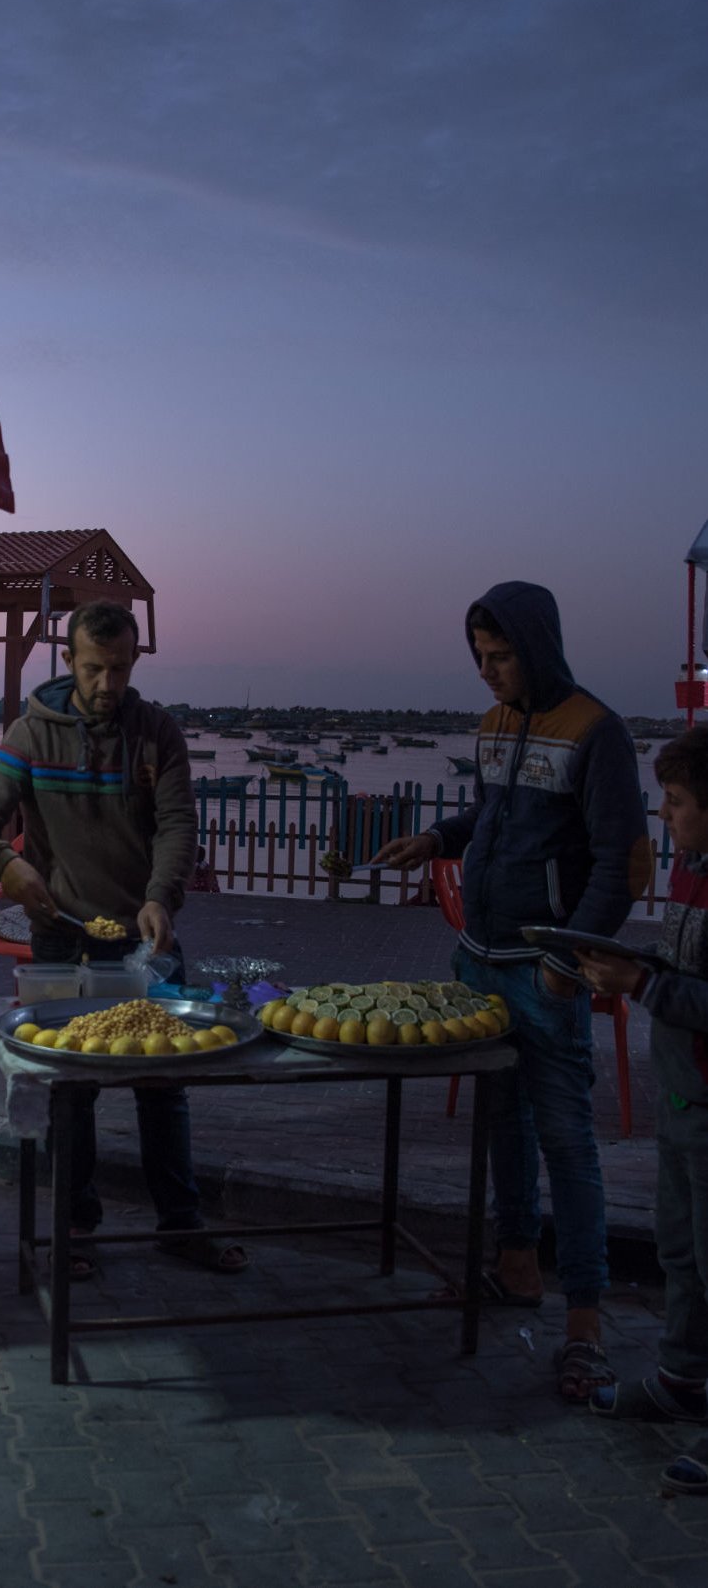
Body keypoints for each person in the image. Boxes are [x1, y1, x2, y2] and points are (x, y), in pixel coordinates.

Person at [374, 581, 649, 1402]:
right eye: (479, 659)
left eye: (500, 657)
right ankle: (515, 1269)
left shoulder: (598, 734)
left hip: (542, 971)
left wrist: (567, 959)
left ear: (538, 647)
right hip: (478, 963)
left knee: (566, 1141)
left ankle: (585, 1326)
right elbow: (489, 818)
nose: (488, 673)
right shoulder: (496, 725)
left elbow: (622, 864)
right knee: (502, 1126)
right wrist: (436, 838)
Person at [0, 599, 244, 1280]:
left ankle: (181, 1224)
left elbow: (177, 828)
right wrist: (11, 865)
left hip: (146, 938)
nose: (107, 683)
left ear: (135, 660)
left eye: (119, 668)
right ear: (69, 661)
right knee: (71, 1091)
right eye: (94, 668)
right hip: (64, 940)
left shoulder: (157, 734)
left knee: (163, 1084)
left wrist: (159, 898)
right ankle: (73, 1228)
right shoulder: (30, 734)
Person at [578, 728, 708, 1494]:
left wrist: (644, 987)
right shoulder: (689, 872)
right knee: (682, 1254)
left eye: (681, 803)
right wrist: (638, 971)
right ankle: (683, 1379)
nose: (665, 815)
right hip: (682, 1096)